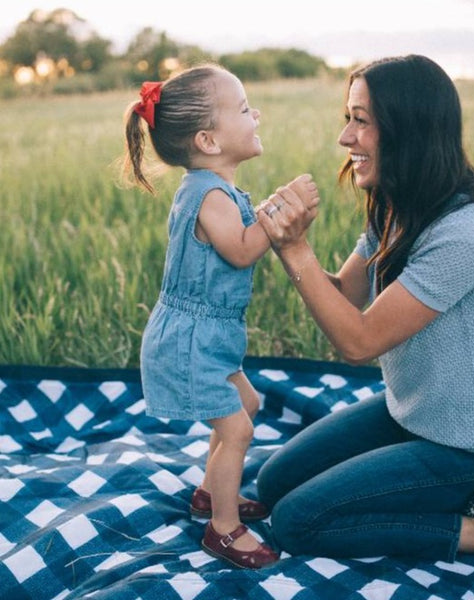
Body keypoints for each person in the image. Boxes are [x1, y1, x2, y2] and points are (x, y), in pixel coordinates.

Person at [255, 55, 474, 569]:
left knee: (296, 522)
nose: (346, 138)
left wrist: (297, 249)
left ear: (407, 129)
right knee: (273, 483)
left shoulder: (469, 232)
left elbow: (358, 341)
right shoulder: (397, 204)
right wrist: (282, 245)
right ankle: (442, 495)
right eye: (347, 118)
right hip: (411, 415)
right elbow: (345, 299)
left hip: (470, 447)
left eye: (361, 120)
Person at [123, 64, 318, 569]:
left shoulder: (214, 189)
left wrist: (269, 211)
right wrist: (283, 212)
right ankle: (224, 529)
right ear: (209, 140)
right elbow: (241, 250)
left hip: (209, 335)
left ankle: (212, 493)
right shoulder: (207, 193)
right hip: (189, 340)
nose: (256, 114)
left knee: (246, 401)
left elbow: (240, 238)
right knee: (237, 430)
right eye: (243, 107)